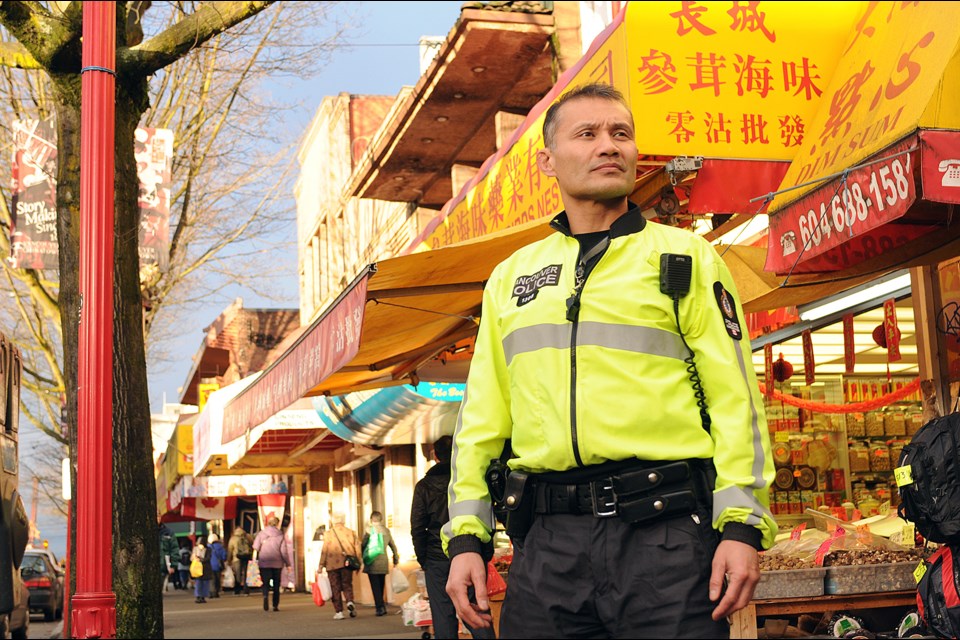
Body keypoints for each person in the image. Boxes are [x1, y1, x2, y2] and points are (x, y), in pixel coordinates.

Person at [442, 82, 776, 639]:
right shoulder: (512, 278)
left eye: (621, 133)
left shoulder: (686, 256)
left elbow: (735, 397)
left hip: (664, 536)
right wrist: (466, 541)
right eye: (588, 134)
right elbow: (480, 420)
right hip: (546, 545)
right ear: (547, 161)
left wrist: (741, 527)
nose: (609, 146)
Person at [412, 436, 495, 640]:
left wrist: (424, 559)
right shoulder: (469, 481)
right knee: (478, 609)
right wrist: (486, 552)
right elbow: (486, 514)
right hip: (470, 550)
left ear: (436, 456)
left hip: (437, 558)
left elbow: (417, 527)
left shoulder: (424, 486)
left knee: (443, 615)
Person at [319, 512, 362, 621]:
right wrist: (359, 563)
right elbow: (358, 548)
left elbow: (324, 550)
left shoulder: (328, 534)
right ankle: (349, 601)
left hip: (332, 565)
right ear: (344, 520)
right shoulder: (351, 532)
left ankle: (339, 612)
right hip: (347, 563)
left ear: (333, 521)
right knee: (347, 584)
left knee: (335, 588)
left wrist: (320, 565)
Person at [362, 510, 400, 617]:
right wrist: (395, 559)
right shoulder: (386, 531)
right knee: (381, 584)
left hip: (371, 561)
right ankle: (382, 605)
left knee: (375, 586)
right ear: (381, 519)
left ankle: (379, 607)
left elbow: (363, 545)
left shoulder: (369, 530)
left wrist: (362, 557)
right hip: (383, 562)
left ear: (371, 519)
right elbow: (393, 546)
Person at [253, 516, 289, 612]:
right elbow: (284, 551)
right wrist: (288, 563)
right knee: (276, 584)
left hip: (264, 562)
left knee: (265, 583)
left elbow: (255, 547)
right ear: (277, 524)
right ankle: (275, 605)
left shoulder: (261, 534)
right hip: (277, 563)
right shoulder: (280, 535)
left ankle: (265, 596)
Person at [228, 526, 254, 595]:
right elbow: (252, 546)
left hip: (237, 558)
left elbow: (230, 550)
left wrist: (229, 560)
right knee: (246, 574)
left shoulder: (233, 539)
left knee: (237, 574)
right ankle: (246, 590)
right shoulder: (248, 537)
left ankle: (237, 590)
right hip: (246, 557)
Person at [158, 519, 180, 591]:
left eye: (158, 515)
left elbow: (174, 549)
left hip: (163, 566)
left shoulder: (168, 532)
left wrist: (173, 565)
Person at [191, 537, 213, 604]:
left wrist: (199, 559)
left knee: (202, 583)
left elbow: (208, 558)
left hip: (202, 568)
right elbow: (208, 558)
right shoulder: (206, 549)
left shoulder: (207, 549)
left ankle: (201, 596)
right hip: (201, 568)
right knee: (201, 583)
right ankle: (200, 596)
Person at [207, 533, 228, 598]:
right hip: (218, 566)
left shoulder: (208, 547)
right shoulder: (220, 546)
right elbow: (224, 556)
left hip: (209, 565)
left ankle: (211, 592)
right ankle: (216, 592)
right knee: (217, 579)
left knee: (211, 580)